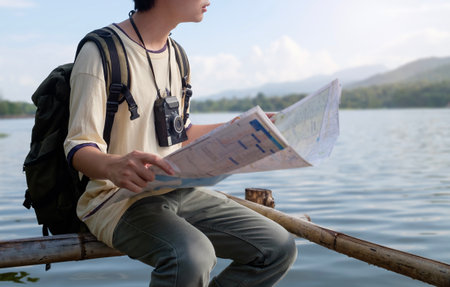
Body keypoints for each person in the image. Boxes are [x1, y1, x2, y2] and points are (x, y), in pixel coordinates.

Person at [64, 0, 297, 286]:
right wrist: (113, 165)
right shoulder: (101, 52)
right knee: (192, 256)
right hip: (115, 199)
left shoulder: (178, 56)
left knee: (278, 247)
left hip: (176, 188)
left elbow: (181, 131)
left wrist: (237, 128)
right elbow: (78, 146)